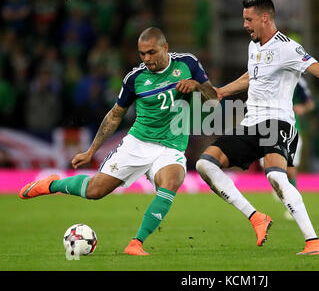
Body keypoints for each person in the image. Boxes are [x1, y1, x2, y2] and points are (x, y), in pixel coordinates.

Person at [195, 0, 319, 255]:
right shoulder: (254, 46)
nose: (245, 24)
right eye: (243, 19)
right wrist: (223, 91)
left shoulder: (288, 48)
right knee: (204, 164)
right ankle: (256, 217)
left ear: (265, 18)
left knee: (274, 175)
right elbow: (253, 74)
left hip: (277, 122)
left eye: (249, 19)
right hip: (251, 122)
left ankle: (313, 241)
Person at [19, 27, 217, 256]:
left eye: (151, 52)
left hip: (171, 146)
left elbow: (213, 98)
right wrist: (91, 150)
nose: (147, 59)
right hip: (138, 143)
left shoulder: (188, 64)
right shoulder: (135, 78)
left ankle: (136, 243)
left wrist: (196, 85)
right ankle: (51, 185)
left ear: (165, 48)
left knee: (171, 181)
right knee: (95, 191)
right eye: (142, 54)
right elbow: (115, 114)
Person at [260, 77, 315, 220]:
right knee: (267, 165)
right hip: (268, 130)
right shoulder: (266, 76)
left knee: (290, 170)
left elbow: (310, 104)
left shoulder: (298, 81)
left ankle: (293, 206)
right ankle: (279, 185)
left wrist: (302, 107)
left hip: (291, 131)